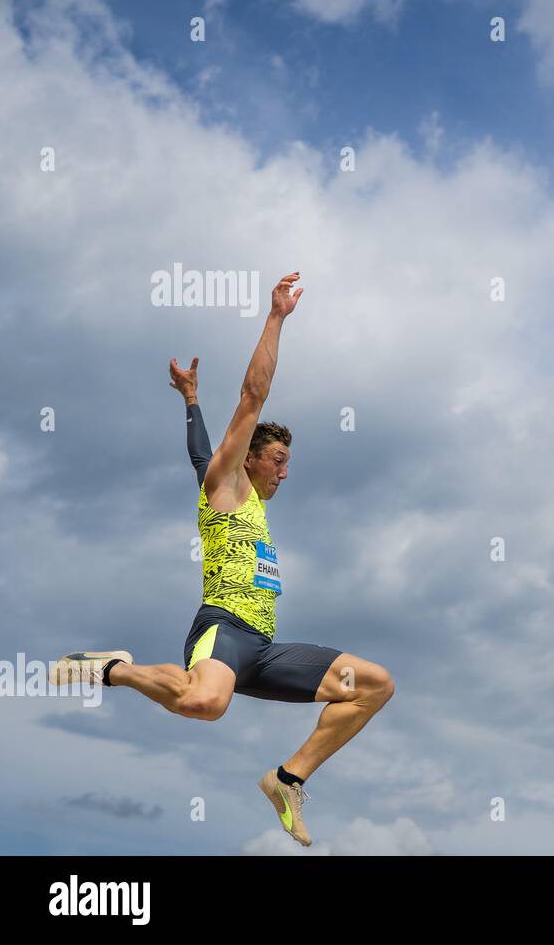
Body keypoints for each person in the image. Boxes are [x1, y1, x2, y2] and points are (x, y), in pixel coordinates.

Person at [54, 272, 394, 847]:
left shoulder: (250, 503)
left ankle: (288, 780)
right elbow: (251, 400)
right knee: (206, 702)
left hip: (264, 647)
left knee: (374, 685)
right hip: (223, 631)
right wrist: (277, 318)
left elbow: (196, 450)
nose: (286, 472)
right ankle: (111, 668)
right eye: (279, 459)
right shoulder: (225, 487)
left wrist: (189, 399)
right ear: (250, 459)